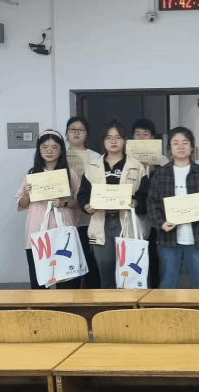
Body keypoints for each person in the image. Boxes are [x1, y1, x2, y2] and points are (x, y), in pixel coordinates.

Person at [77, 119, 148, 289]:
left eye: (118, 137)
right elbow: (83, 194)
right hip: (101, 222)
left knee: (129, 272)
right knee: (105, 271)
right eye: (109, 138)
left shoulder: (136, 166)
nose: (113, 141)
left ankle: (128, 305)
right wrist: (86, 206)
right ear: (103, 141)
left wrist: (136, 202)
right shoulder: (93, 167)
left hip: (126, 221)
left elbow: (146, 196)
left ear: (125, 140)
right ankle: (109, 305)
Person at [147, 127, 199, 289]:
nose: (181, 146)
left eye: (185, 143)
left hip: (197, 237)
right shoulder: (161, 173)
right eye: (176, 143)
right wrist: (161, 223)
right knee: (167, 283)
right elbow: (152, 202)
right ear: (170, 149)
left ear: (192, 147)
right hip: (168, 238)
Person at [16, 129, 82, 289]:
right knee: (39, 282)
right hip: (37, 231)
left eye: (54, 147)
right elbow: (21, 203)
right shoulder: (32, 175)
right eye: (45, 147)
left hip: (63, 230)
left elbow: (80, 202)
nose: (49, 151)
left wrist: (64, 203)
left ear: (61, 150)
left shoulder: (71, 174)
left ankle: (67, 305)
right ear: (39, 150)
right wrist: (27, 194)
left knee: (67, 281)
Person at [131, 117, 170, 288]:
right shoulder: (127, 160)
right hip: (135, 216)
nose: (141, 138)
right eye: (137, 134)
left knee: (155, 256)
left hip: (157, 218)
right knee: (136, 257)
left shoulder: (163, 160)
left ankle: (155, 291)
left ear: (153, 138)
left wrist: (153, 169)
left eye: (145, 134)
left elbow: (164, 188)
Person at [66, 117, 102, 288]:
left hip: (89, 219)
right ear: (67, 133)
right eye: (72, 129)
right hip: (66, 218)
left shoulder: (96, 157)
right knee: (69, 263)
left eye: (80, 130)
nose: (76, 133)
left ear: (87, 134)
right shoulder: (59, 156)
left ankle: (92, 297)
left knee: (91, 262)